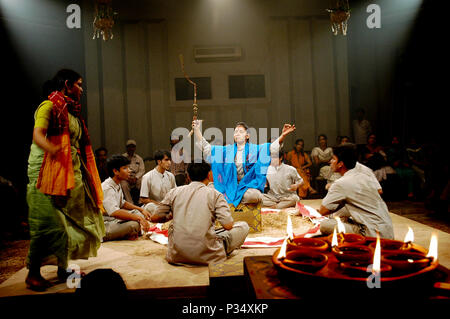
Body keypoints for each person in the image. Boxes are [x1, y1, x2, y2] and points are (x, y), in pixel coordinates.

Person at [25, 69, 105, 291]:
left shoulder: (72, 113)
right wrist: (52, 150)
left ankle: (62, 269)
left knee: (71, 223)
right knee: (49, 225)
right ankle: (32, 273)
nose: (82, 89)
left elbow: (76, 146)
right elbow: (38, 134)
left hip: (70, 174)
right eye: (79, 84)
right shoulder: (49, 106)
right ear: (67, 84)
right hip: (46, 174)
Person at [151, 161, 250, 265]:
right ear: (209, 175)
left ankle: (182, 250)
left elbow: (155, 218)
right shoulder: (215, 195)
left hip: (177, 255)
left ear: (188, 176)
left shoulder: (174, 192)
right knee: (243, 226)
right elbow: (228, 225)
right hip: (209, 255)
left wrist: (172, 216)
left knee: (173, 226)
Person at [193, 121, 296, 207]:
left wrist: (283, 135)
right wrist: (197, 130)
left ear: (247, 135)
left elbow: (271, 148)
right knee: (210, 189)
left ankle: (229, 201)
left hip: (246, 187)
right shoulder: (226, 150)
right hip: (228, 185)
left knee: (255, 196)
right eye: (235, 132)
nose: (237, 133)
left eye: (240, 131)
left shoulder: (255, 149)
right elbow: (207, 148)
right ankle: (234, 200)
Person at [318, 144, 394, 239]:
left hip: (371, 234)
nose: (330, 162)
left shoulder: (341, 183)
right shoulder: (363, 176)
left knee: (325, 225)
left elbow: (323, 211)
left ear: (341, 164)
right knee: (341, 212)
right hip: (388, 232)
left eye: (333, 159)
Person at [102, 155, 151, 241]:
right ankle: (130, 232)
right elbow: (114, 212)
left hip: (114, 220)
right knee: (133, 225)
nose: (129, 171)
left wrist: (141, 209)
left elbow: (122, 203)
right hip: (106, 225)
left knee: (138, 214)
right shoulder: (107, 187)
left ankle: (131, 232)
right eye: (125, 168)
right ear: (115, 171)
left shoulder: (117, 183)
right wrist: (138, 218)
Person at [139, 150, 177, 215]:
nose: (169, 163)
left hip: (168, 206)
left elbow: (175, 194)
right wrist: (160, 204)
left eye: (170, 160)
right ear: (159, 161)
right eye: (166, 160)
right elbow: (143, 199)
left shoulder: (170, 176)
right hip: (155, 206)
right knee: (150, 206)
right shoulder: (147, 177)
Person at [121, 139, 145, 204]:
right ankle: (130, 203)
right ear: (126, 148)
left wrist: (136, 178)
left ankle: (141, 201)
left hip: (136, 178)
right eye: (129, 147)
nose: (131, 149)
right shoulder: (122, 157)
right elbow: (120, 170)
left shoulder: (139, 158)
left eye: (133, 147)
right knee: (123, 184)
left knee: (143, 181)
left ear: (135, 148)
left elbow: (142, 170)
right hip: (126, 178)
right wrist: (127, 178)